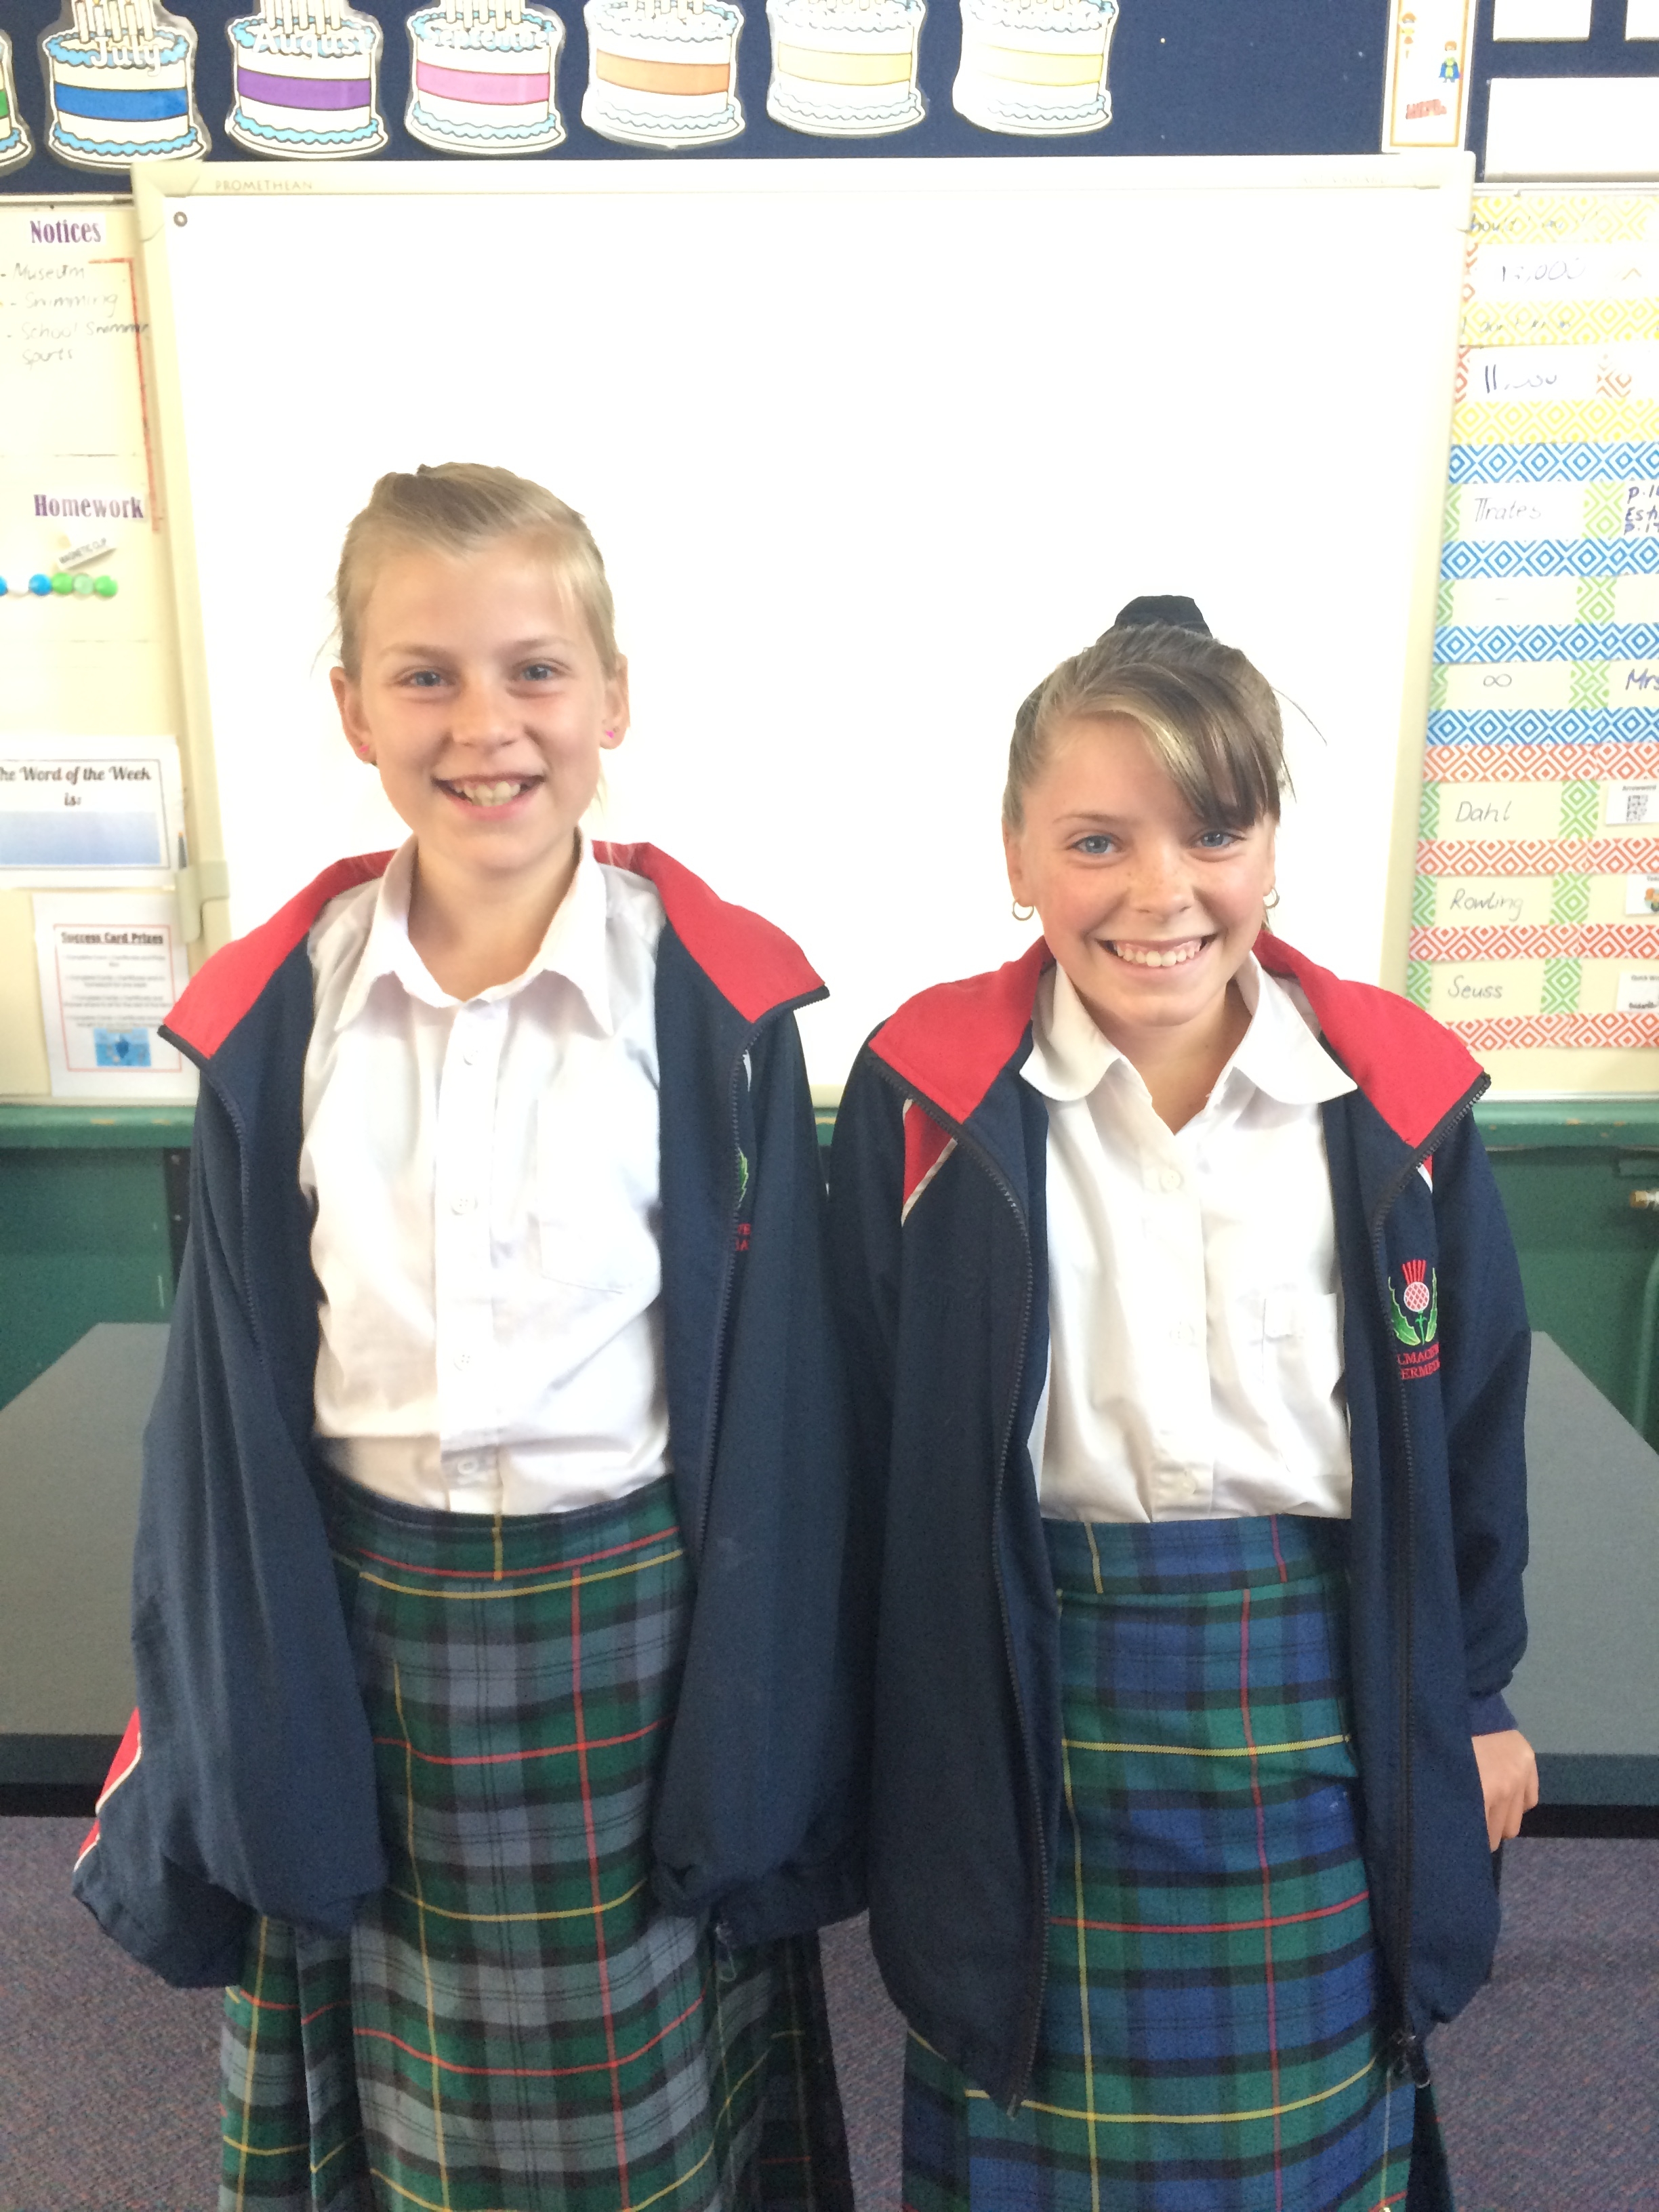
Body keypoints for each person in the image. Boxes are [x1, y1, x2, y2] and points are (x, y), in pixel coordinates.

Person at [73, 463, 861, 2212]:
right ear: (353, 708)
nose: (485, 724)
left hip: (639, 1634)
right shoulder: (282, 1016)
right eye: (425, 675)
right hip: (361, 1629)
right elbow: (223, 1403)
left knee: (640, 2121)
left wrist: (773, 1712)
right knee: (408, 2120)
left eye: (535, 671)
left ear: (613, 698)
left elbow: (787, 1405)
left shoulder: (714, 1008)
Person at [827, 599, 1536, 2212]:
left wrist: (1481, 1694)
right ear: (1016, 856)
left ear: (1272, 846)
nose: (1161, 894)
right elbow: (860, 1445)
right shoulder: (925, 1098)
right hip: (1027, 1710)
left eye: (1214, 833)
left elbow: (1473, 1431)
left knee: (1301, 2160)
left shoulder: (1398, 1103)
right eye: (1097, 840)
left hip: (1319, 1705)